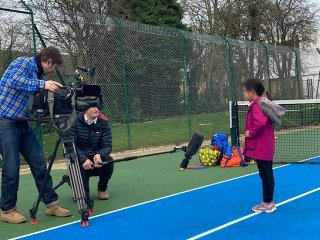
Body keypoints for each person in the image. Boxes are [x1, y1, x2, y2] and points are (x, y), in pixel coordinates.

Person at [0, 47, 72, 224]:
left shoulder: (38, 75)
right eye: (53, 68)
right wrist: (42, 84)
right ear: (48, 62)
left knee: (40, 162)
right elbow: (14, 80)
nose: (52, 72)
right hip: (5, 122)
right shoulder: (23, 63)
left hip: (22, 123)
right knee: (11, 167)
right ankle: (7, 210)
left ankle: (52, 204)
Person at [241, 78, 277, 213]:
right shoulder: (259, 103)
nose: (243, 94)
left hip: (263, 146)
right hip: (264, 145)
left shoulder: (257, 105)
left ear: (252, 92)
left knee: (265, 174)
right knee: (267, 173)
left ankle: (267, 202)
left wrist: (250, 134)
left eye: (244, 91)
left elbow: (260, 123)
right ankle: (269, 201)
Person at [68, 105, 113, 201]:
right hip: (80, 159)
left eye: (97, 106)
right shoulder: (74, 122)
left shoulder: (104, 122)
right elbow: (71, 146)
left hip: (96, 159)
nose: (96, 109)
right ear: (85, 109)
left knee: (109, 161)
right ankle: (75, 183)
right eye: (92, 107)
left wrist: (99, 155)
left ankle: (102, 189)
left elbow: (108, 146)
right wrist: (84, 159)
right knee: (84, 198)